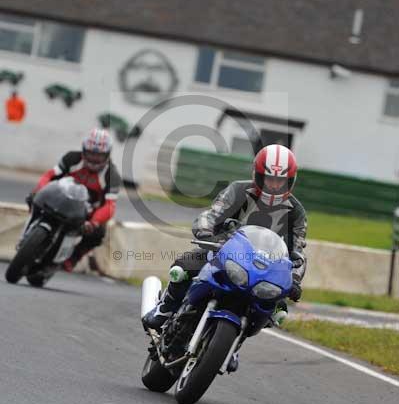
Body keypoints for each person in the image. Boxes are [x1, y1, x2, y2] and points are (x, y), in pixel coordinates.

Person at [143, 144, 307, 332]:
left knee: (278, 311)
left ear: (291, 181)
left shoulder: (296, 212)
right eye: (269, 179)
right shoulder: (238, 190)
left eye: (281, 181)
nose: (275, 185)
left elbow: (298, 251)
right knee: (183, 268)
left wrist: (294, 279)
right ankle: (164, 310)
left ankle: (236, 342)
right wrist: (206, 231)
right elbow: (212, 214)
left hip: (264, 269)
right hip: (223, 252)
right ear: (258, 175)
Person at [28, 128, 121, 271]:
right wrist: (40, 189)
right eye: (91, 153)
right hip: (60, 197)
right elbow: (49, 175)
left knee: (99, 232)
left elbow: (109, 205)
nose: (93, 159)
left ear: (107, 155)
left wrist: (94, 222)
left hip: (86, 211)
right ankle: (29, 231)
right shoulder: (72, 158)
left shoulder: (111, 175)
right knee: (32, 197)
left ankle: (73, 258)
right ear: (84, 150)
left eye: (98, 156)